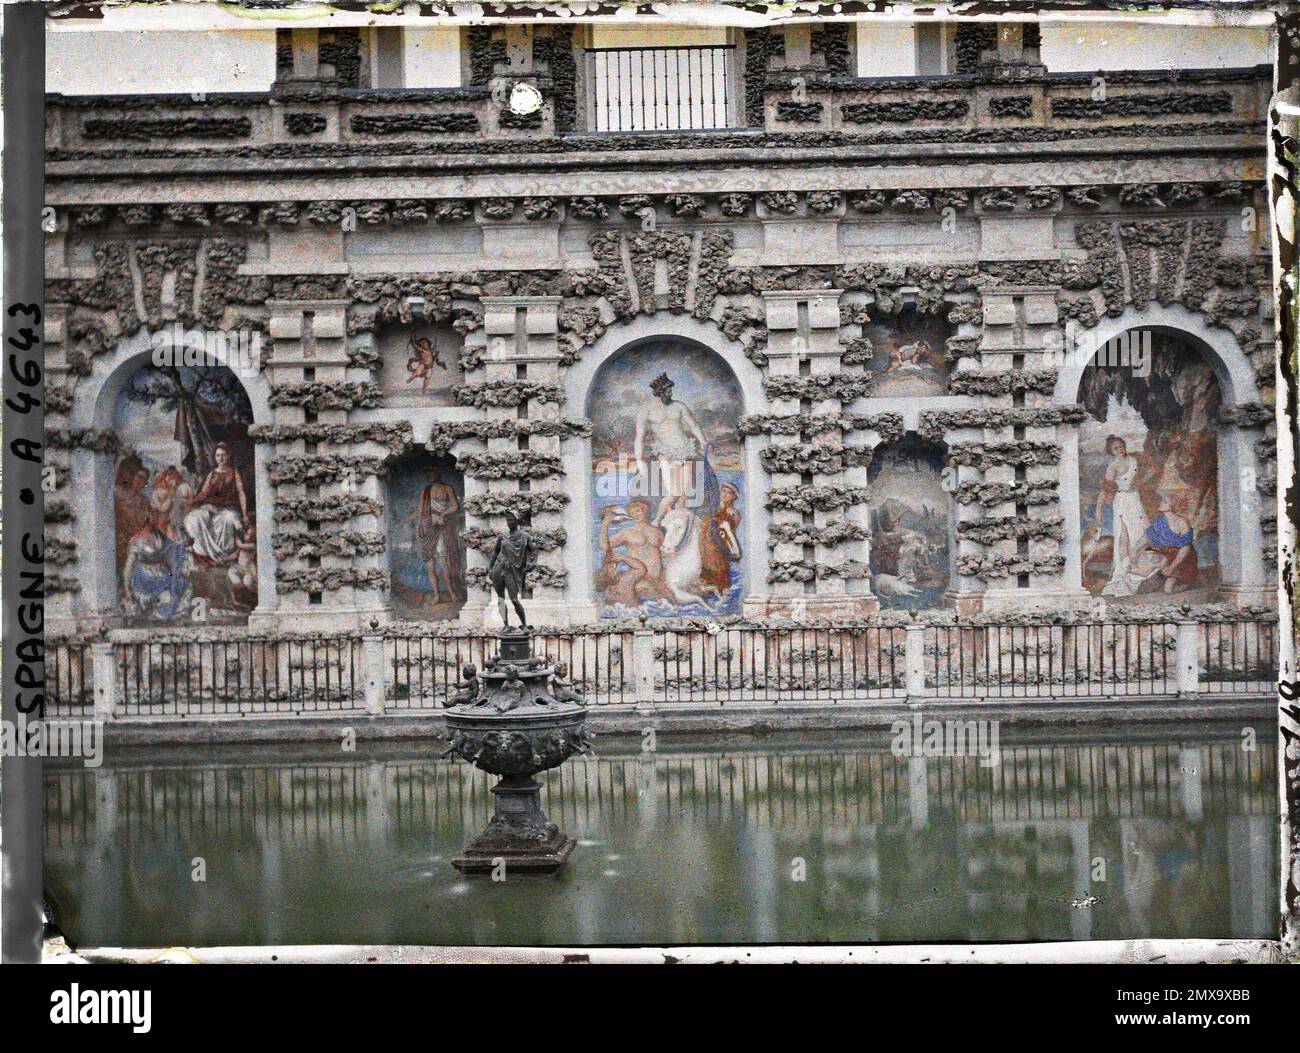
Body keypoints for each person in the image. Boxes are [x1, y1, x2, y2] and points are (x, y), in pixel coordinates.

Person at [634, 373, 708, 526]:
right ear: (660, 392)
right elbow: (639, 436)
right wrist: (639, 459)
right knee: (673, 492)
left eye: (671, 390)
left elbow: (693, 425)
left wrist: (703, 441)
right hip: (666, 454)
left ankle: (679, 525)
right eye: (667, 390)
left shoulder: (679, 406)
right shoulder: (646, 410)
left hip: (685, 451)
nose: (671, 393)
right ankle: (658, 521)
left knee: (685, 493)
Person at [1096, 436, 1149, 595]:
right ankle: (1123, 573)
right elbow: (1105, 489)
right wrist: (1098, 510)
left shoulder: (1134, 459)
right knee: (1123, 536)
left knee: (1140, 533)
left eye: (1121, 446)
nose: (1120, 450)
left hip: (1135, 498)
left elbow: (1152, 469)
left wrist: (1140, 482)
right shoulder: (1113, 466)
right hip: (1122, 501)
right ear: (1111, 452)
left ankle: (1140, 572)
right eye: (1115, 448)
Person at [184, 442, 249, 566]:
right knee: (197, 517)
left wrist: (245, 514)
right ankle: (203, 552)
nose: (221, 458)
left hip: (228, 508)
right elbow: (204, 492)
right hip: (211, 506)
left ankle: (224, 554)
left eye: (223, 455)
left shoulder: (234, 473)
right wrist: (192, 503)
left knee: (229, 519)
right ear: (215, 457)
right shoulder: (212, 473)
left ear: (228, 456)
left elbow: (241, 493)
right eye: (218, 455)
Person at [414, 470, 462, 603]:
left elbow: (454, 506)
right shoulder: (425, 490)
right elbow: (420, 510)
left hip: (442, 527)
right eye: (428, 472)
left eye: (432, 470)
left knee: (443, 563)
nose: (430, 474)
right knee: (430, 565)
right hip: (428, 527)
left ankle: (452, 592)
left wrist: (443, 514)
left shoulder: (447, 488)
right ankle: (436, 595)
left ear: (438, 473)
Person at [487, 513, 533, 627]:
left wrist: (532, 563)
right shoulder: (502, 536)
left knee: (514, 600)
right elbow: (495, 552)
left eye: (511, 520)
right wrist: (490, 568)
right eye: (507, 520)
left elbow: (534, 550)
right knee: (501, 599)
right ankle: (506, 625)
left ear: (517, 521)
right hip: (498, 569)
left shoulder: (525, 536)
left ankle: (524, 625)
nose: (509, 522)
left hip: (511, 571)